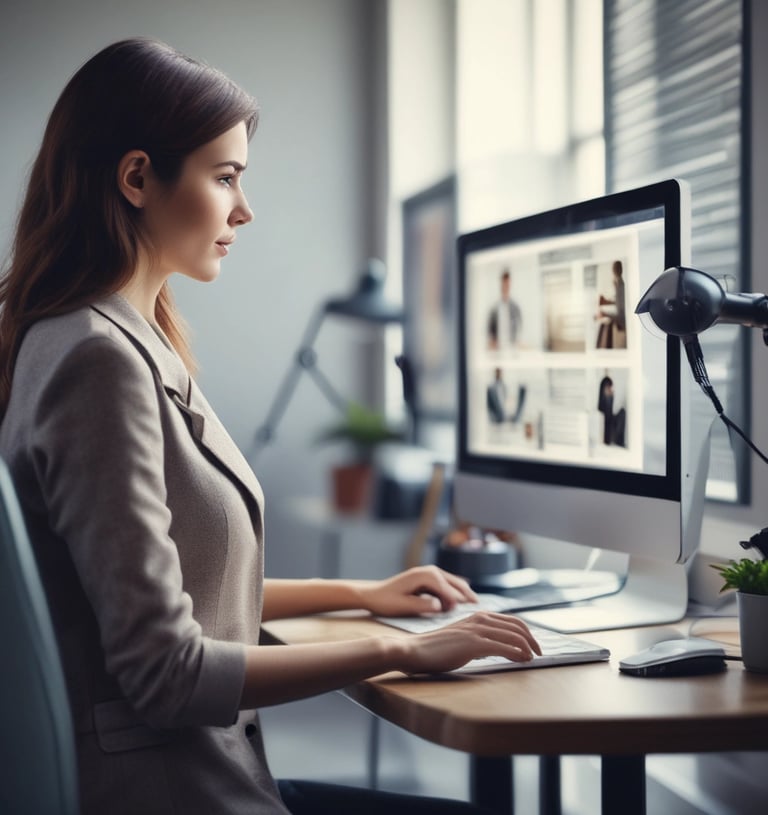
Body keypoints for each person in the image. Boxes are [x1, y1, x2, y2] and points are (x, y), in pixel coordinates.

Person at [0, 39, 540, 815]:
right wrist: (404, 650)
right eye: (225, 179)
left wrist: (364, 592)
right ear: (138, 177)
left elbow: (180, 592)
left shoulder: (110, 336)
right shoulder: (98, 361)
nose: (244, 210)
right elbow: (166, 669)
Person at [487, 268, 522, 349]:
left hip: (512, 348)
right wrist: (492, 343)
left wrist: (518, 343)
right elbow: (490, 331)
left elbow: (519, 327)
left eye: (508, 283)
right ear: (501, 284)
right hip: (497, 349)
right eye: (504, 283)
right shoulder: (494, 309)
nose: (506, 286)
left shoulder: (515, 308)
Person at [595, 260, 626, 349]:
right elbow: (621, 302)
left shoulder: (620, 285)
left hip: (622, 325)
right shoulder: (619, 283)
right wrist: (607, 302)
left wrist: (605, 314)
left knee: (603, 329)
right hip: (620, 322)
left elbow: (621, 316)